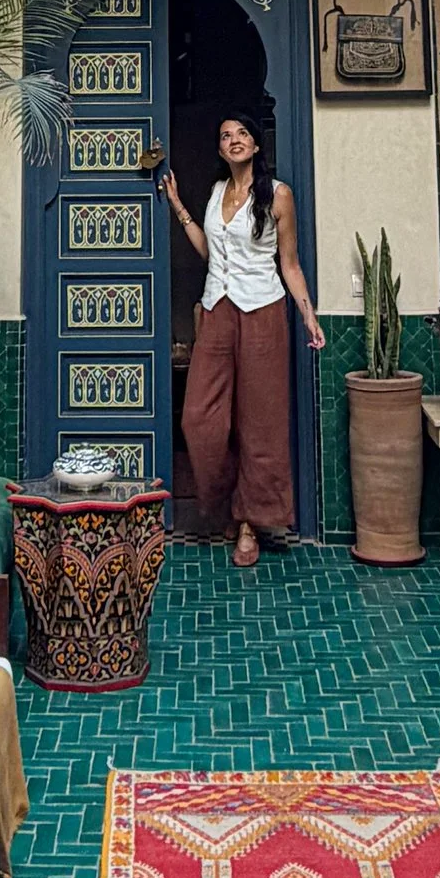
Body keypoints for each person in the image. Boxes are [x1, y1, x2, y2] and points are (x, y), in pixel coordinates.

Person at [163, 111, 323, 566]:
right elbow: (210, 252)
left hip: (263, 311)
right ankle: (232, 502)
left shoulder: (278, 195)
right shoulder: (216, 193)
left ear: (256, 145)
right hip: (217, 308)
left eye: (242, 134)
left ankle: (250, 525)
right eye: (225, 135)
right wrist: (178, 206)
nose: (233, 140)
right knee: (199, 418)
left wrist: (309, 317)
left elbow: (289, 264)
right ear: (220, 149)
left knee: (260, 423)